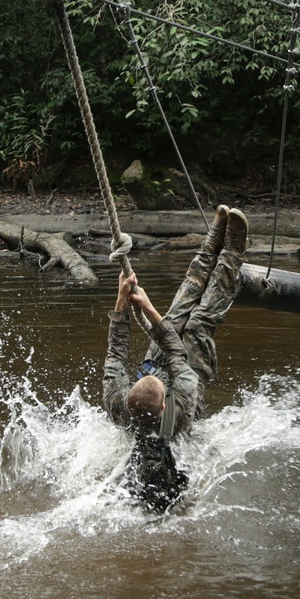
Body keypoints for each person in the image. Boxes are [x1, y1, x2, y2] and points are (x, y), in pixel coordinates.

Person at [102, 205, 247, 512]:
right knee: (199, 321)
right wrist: (149, 309)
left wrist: (122, 299)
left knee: (176, 312)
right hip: (189, 376)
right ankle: (233, 253)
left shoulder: (118, 404)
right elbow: (176, 352)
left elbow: (116, 350)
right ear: (165, 402)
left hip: (159, 372)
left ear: (130, 392)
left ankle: (210, 247)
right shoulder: (178, 410)